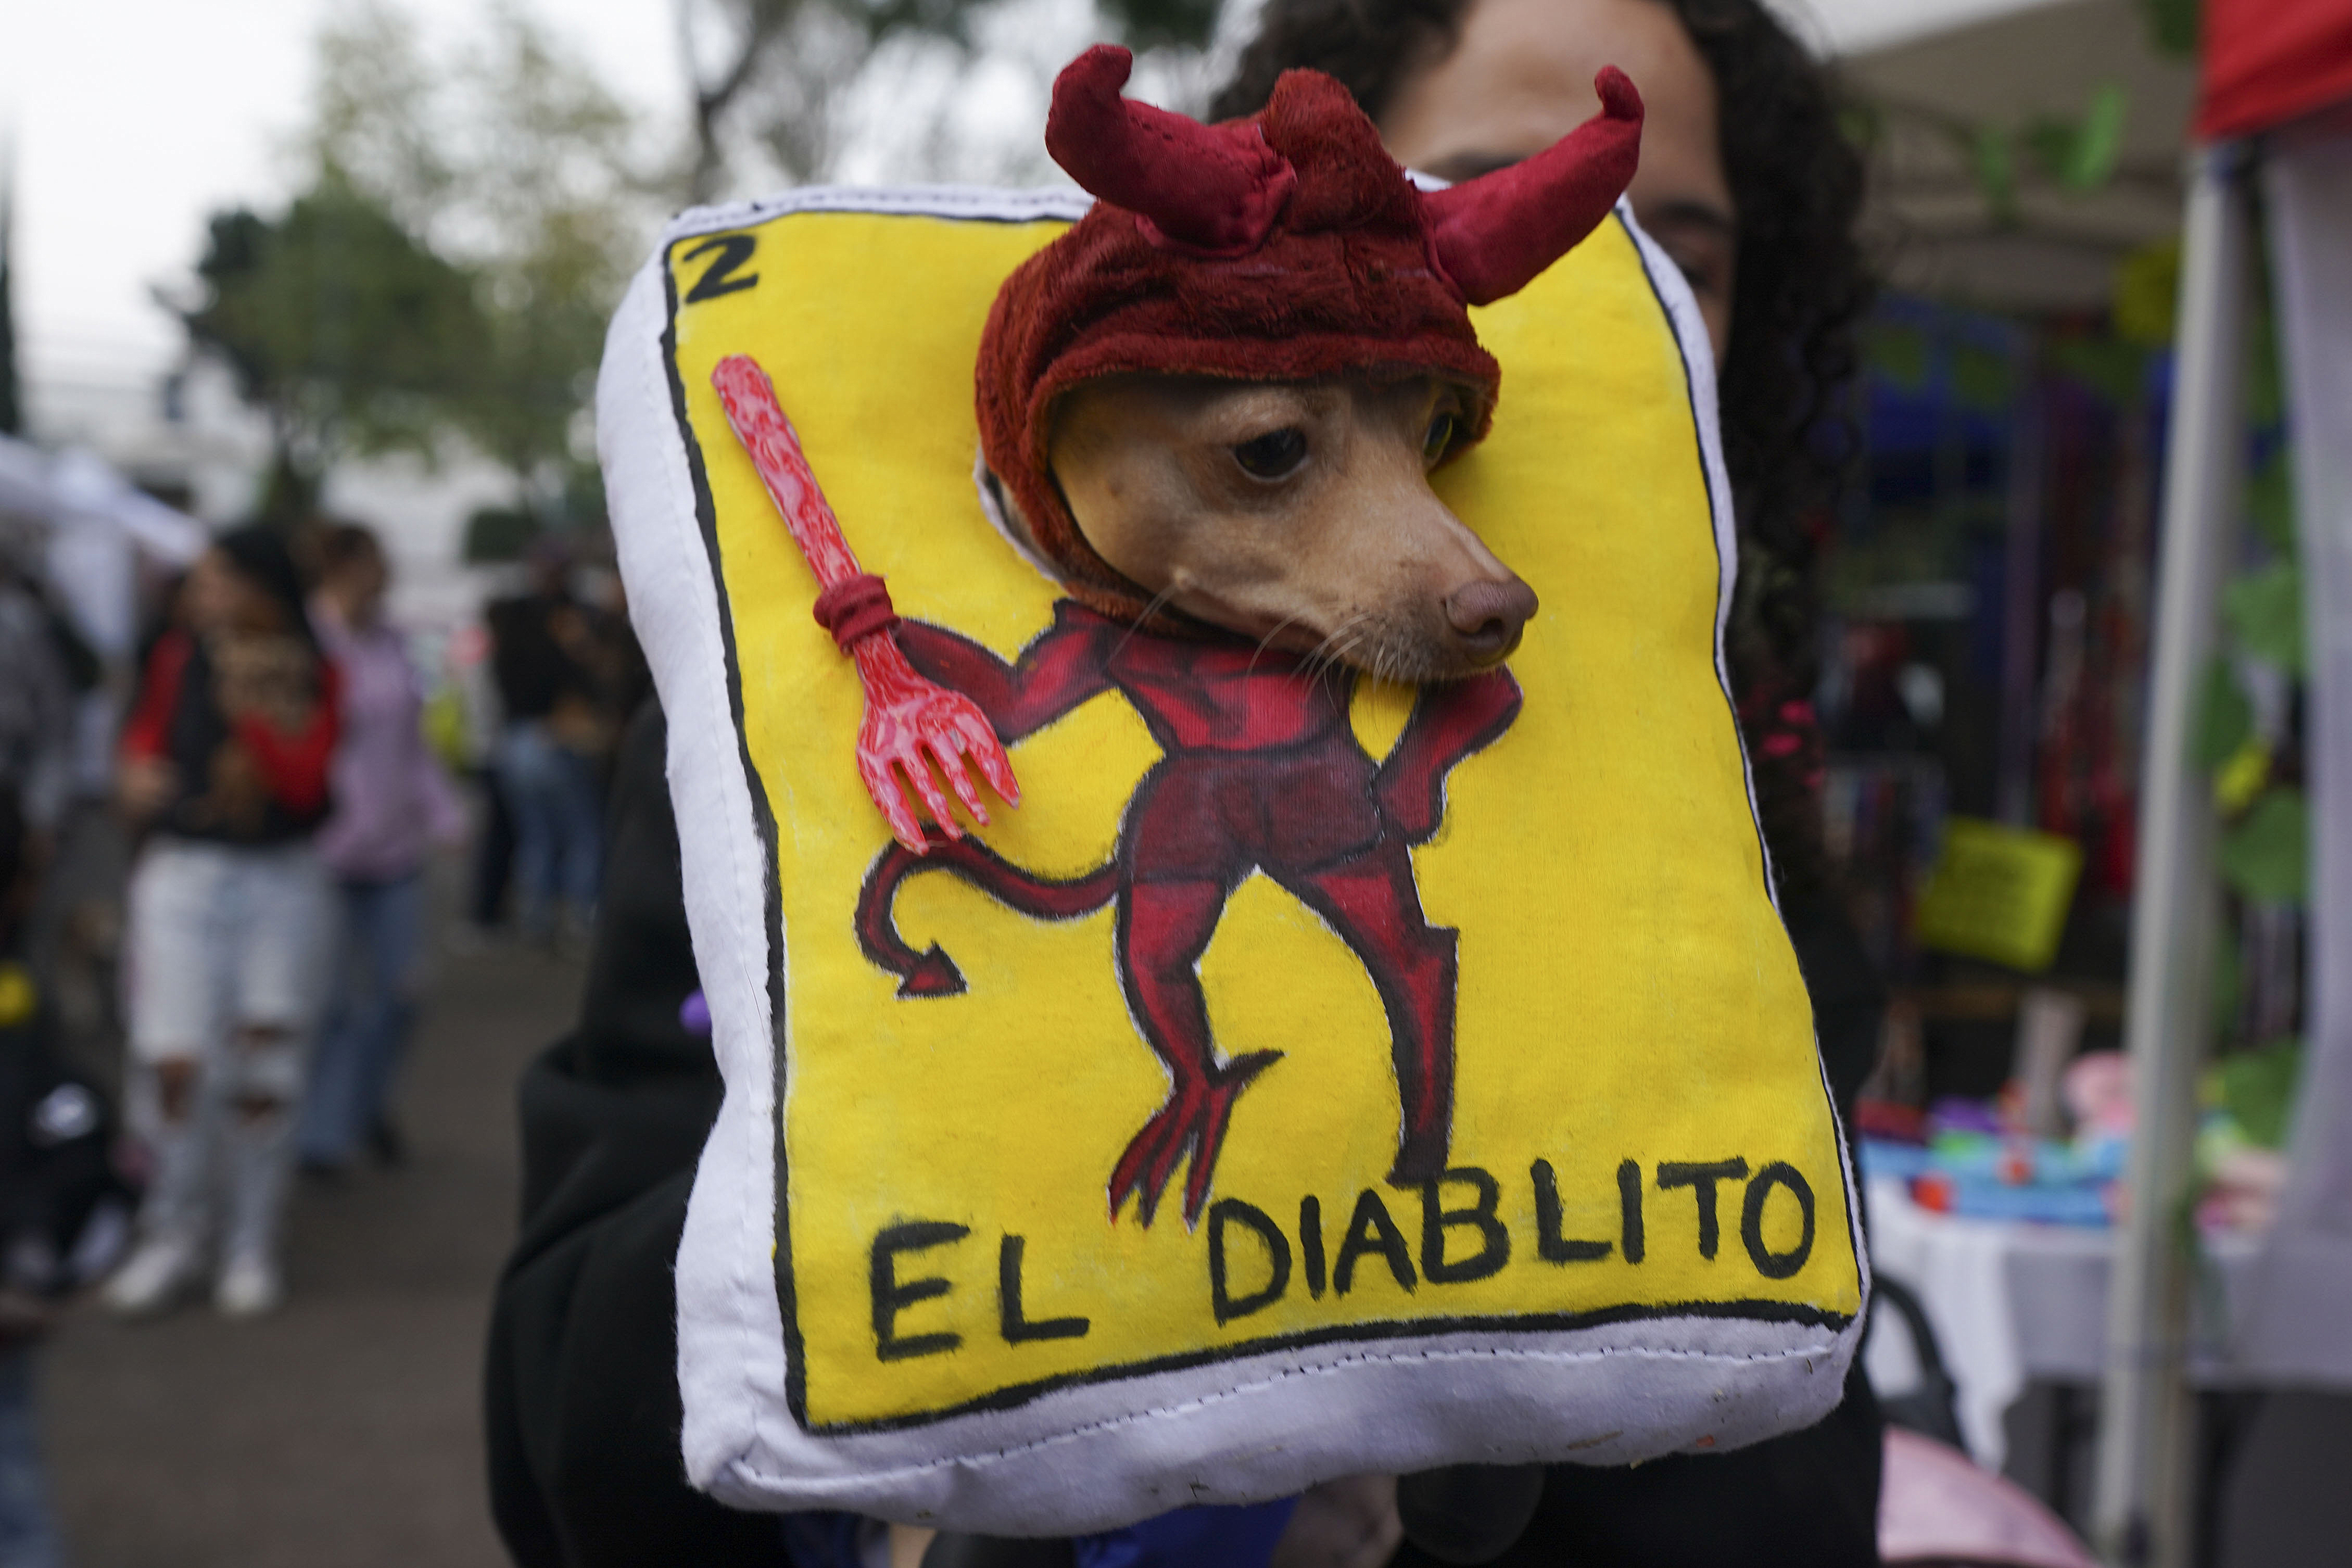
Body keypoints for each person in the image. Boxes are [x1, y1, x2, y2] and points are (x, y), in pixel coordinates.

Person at [488, 3, 1881, 1561]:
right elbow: (567, 1440)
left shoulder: (1740, 806)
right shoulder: (756, 734)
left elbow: (1787, 1489)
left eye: (1677, 251)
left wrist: (1520, 1426)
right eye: (1467, 194)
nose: (1606, 289)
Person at [104, 525, 340, 1319]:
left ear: (257, 587)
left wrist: (256, 714)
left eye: (215, 581)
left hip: (280, 882)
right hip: (184, 874)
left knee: (264, 1067)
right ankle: (172, 1230)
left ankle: (249, 1240)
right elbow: (143, 735)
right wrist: (132, 775)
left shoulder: (312, 668)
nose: (200, 596)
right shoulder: (178, 654)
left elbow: (306, 787)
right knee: (171, 1058)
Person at [297, 524, 463, 1175]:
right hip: (326, 847)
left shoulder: (390, 640)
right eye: (373, 564)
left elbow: (411, 744)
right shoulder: (311, 643)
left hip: (393, 849)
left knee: (401, 991)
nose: (384, 576)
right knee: (334, 1003)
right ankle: (324, 1136)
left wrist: (443, 812)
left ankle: (361, 1107)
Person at [486, 541, 616, 948]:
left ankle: (535, 917)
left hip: (516, 741)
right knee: (581, 833)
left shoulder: (515, 618)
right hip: (552, 738)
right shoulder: (566, 620)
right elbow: (588, 679)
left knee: (536, 835)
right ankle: (580, 914)